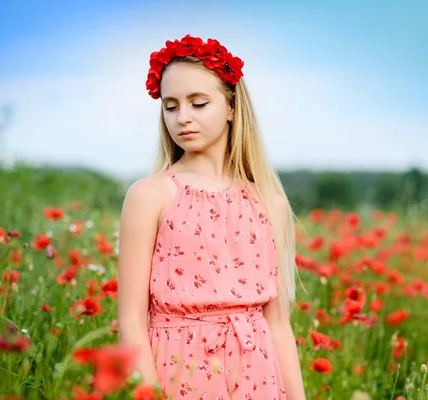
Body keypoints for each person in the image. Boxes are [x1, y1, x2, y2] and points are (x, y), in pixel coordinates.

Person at [117, 34, 306, 399]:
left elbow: (278, 325)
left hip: (258, 376)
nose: (182, 118)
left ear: (232, 107)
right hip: (180, 374)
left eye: (198, 103)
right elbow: (131, 322)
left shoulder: (269, 200)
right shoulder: (150, 195)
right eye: (170, 106)